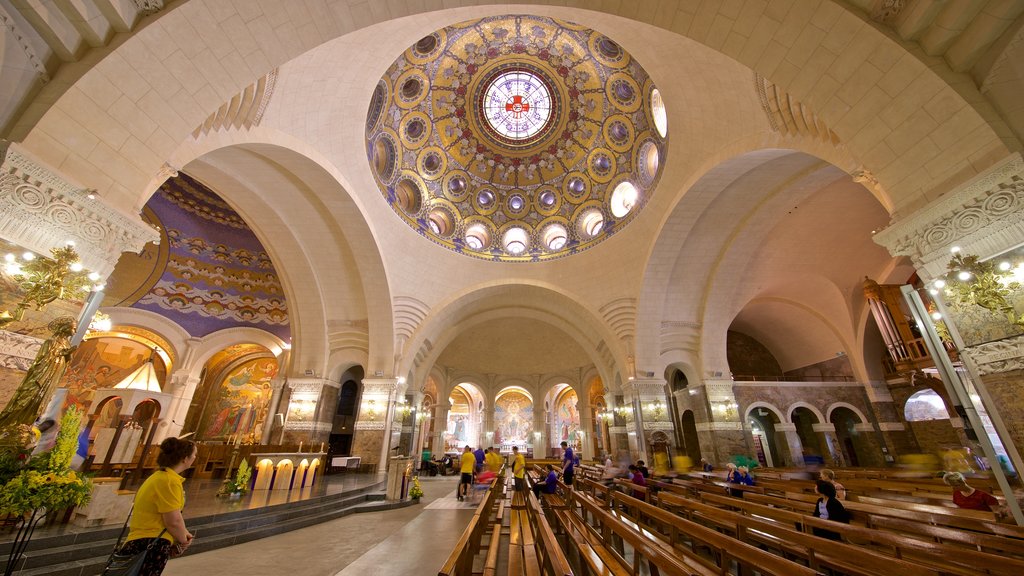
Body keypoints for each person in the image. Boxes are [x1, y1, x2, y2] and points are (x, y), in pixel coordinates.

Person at [116, 437, 196, 575]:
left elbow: (171, 514)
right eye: (194, 454)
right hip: (150, 542)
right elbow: (173, 520)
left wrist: (184, 532)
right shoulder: (169, 481)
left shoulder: (160, 477)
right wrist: (183, 540)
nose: (195, 457)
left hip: (143, 538)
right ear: (184, 458)